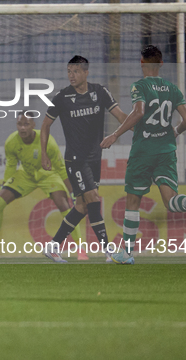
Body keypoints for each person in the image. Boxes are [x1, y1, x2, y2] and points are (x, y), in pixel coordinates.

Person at [101, 45, 186, 265]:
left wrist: (115, 134)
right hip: (166, 152)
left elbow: (138, 112)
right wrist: (173, 132)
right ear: (161, 64)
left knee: (132, 201)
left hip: (143, 152)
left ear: (141, 63)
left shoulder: (139, 86)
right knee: (170, 201)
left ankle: (127, 253)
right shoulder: (173, 89)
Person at [41, 55, 127, 263]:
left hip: (95, 158)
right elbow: (45, 126)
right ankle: (108, 251)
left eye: (76, 71)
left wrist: (125, 130)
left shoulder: (100, 92)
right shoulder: (62, 97)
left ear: (86, 73)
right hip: (75, 160)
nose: (71, 75)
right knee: (94, 199)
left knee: (81, 206)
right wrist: (44, 153)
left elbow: (122, 117)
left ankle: (53, 246)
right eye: (69, 71)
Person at [0, 114, 87, 260]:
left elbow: (61, 168)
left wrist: (73, 191)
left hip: (49, 174)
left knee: (64, 205)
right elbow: (11, 165)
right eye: (19, 124)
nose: (22, 128)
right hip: (26, 175)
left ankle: (80, 249)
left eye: (26, 124)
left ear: (33, 125)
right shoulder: (11, 142)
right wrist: (4, 184)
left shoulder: (48, 142)